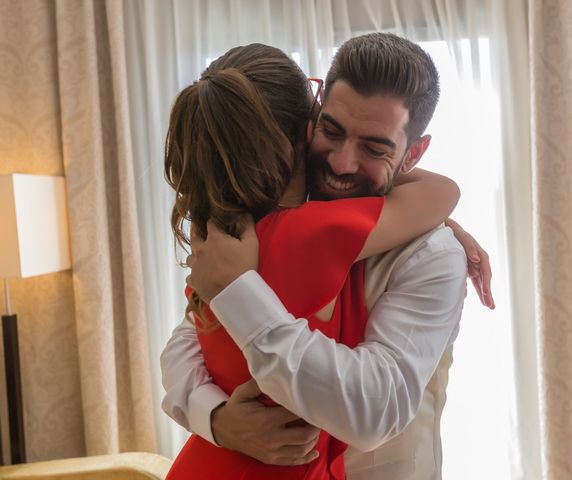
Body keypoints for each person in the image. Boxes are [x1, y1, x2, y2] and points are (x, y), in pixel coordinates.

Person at [163, 33, 494, 480]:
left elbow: (375, 411)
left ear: (413, 154)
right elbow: (184, 343)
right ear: (309, 122)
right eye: (331, 131)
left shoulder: (430, 251)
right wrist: (217, 420)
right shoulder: (274, 231)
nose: (341, 164)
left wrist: (239, 294)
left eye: (375, 148)